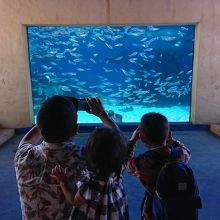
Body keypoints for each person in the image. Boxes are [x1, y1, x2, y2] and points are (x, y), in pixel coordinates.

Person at [14, 96, 118, 220]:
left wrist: (49, 112)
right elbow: (120, 145)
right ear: (75, 130)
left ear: (40, 127)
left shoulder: (23, 156)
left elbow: (27, 139)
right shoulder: (89, 159)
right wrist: (102, 114)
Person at [51, 106, 129, 219]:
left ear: (89, 154)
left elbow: (75, 201)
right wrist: (102, 115)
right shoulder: (118, 168)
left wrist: (63, 181)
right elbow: (118, 138)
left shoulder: (91, 182)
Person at [126, 112, 191, 220]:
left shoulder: (144, 161)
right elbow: (187, 151)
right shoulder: (179, 154)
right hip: (180, 207)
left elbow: (126, 164)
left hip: (154, 208)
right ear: (169, 135)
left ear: (141, 138)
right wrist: (170, 139)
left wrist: (132, 141)